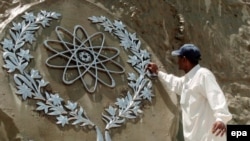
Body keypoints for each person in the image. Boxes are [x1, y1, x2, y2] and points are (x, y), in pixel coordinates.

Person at [147, 44, 232, 141]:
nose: (177, 61)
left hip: (207, 137)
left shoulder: (203, 75)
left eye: (179, 58)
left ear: (184, 60)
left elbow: (216, 96)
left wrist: (221, 119)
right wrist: (158, 72)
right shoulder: (188, 79)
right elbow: (175, 83)